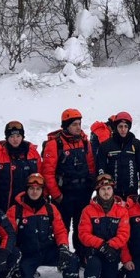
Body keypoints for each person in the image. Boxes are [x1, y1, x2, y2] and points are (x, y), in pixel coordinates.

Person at [7, 173, 79, 278]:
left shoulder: (51, 209)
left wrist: (63, 247)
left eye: (38, 189)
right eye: (31, 188)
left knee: (71, 259)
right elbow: (8, 235)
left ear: (42, 191)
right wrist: (13, 257)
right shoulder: (15, 210)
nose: (34, 192)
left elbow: (60, 230)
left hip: (47, 251)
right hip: (27, 254)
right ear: (26, 189)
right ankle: (30, 273)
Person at [41, 109, 96, 254]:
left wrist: (90, 186)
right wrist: (57, 195)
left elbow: (90, 165)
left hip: (82, 193)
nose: (78, 127)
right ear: (66, 126)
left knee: (82, 226)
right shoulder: (54, 144)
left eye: (79, 124)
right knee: (61, 227)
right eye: (74, 124)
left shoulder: (85, 142)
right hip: (64, 194)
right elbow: (48, 173)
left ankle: (82, 254)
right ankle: (62, 255)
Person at [78, 173, 130, 278]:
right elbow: (83, 234)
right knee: (93, 274)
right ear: (97, 191)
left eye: (108, 189)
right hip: (94, 252)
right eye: (102, 189)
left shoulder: (122, 210)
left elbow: (124, 234)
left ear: (113, 190)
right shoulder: (88, 210)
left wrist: (110, 246)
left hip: (112, 253)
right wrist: (101, 245)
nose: (106, 192)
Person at [0, 121, 41, 209]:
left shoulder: (33, 154)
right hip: (4, 205)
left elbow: (41, 176)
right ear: (7, 138)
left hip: (28, 205)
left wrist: (43, 195)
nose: (15, 139)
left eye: (18, 136)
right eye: (12, 136)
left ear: (22, 137)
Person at [93, 112, 140, 201]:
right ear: (116, 127)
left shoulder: (136, 144)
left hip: (132, 193)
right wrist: (104, 189)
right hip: (112, 195)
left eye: (126, 126)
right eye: (120, 126)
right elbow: (100, 168)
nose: (123, 129)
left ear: (129, 128)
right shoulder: (105, 145)